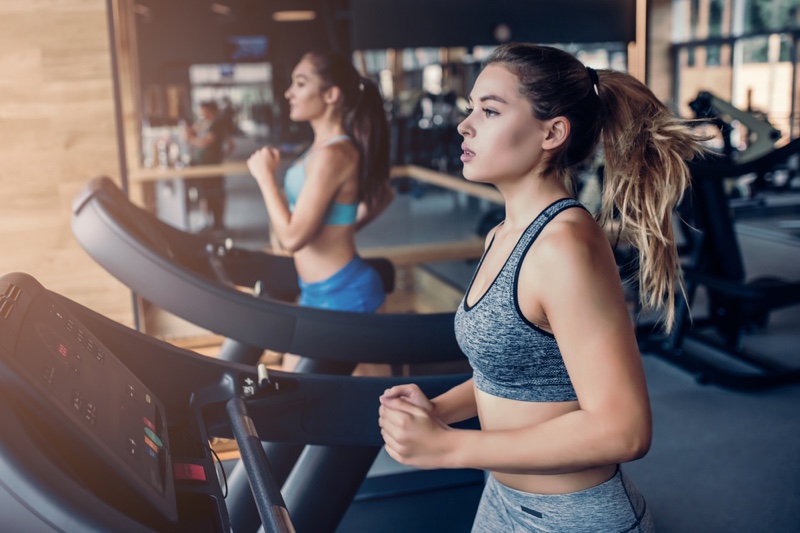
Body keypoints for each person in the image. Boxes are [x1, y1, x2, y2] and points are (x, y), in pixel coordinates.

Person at [378, 42, 707, 532]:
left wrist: (452, 447)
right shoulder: (502, 236)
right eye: (471, 108)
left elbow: (625, 429)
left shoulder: (563, 246)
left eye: (489, 110)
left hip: (574, 518)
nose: (465, 125)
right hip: (502, 500)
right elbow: (514, 374)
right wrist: (439, 409)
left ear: (552, 132)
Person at [246, 50, 394, 372]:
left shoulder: (336, 154)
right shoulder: (318, 151)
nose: (289, 93)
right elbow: (380, 198)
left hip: (349, 296)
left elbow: (292, 238)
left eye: (300, 83)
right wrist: (342, 229)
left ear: (331, 94)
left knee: (369, 406)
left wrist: (265, 177)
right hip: (313, 292)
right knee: (296, 394)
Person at [184, 99, 235, 232]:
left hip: (210, 165)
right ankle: (210, 222)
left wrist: (191, 139)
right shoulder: (208, 124)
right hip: (206, 164)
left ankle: (217, 223)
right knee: (206, 194)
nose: (201, 114)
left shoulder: (216, 125)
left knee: (214, 194)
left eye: (203, 111)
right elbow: (230, 144)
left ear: (209, 110)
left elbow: (205, 143)